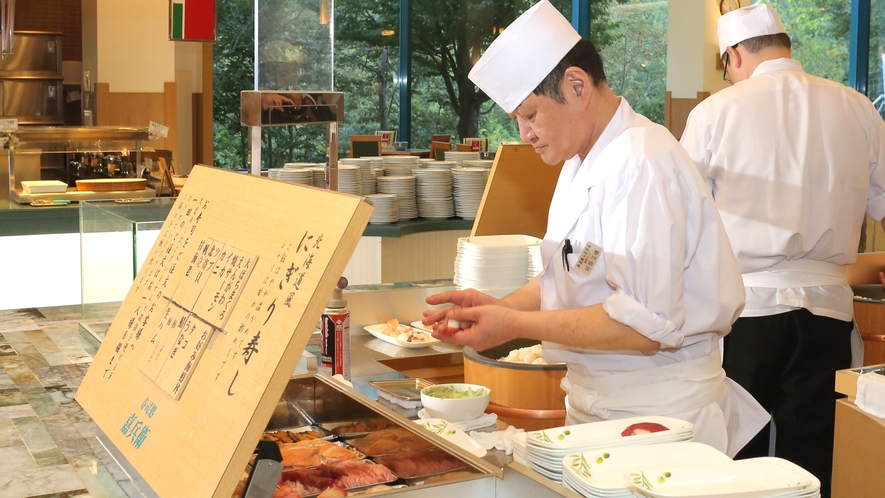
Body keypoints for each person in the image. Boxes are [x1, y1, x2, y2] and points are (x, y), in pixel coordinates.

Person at [422, 0, 768, 458]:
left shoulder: (642, 161)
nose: (525, 133)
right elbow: (568, 271)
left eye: (531, 115)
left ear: (577, 85)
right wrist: (496, 309)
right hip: (597, 407)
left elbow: (644, 325)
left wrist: (513, 324)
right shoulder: (581, 160)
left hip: (657, 418)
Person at [679, 5, 885, 495]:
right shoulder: (858, 108)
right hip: (828, 315)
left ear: (733, 56)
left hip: (745, 313)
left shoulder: (715, 112)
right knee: (815, 457)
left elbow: (679, 218)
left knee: (736, 456)